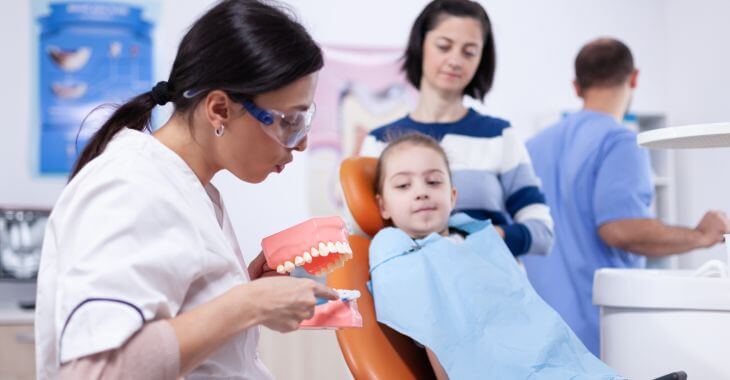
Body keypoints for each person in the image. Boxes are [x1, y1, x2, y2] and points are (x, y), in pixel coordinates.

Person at [34, 1, 340, 378]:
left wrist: (240, 293)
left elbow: (175, 323)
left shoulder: (190, 187)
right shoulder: (129, 187)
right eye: (288, 121)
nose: (302, 143)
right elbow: (95, 372)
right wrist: (248, 304)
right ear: (219, 110)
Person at [522, 37, 730, 356]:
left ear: (576, 86)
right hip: (598, 339)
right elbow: (620, 230)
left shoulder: (533, 146)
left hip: (539, 336)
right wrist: (701, 235)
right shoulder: (620, 142)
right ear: (634, 78)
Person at [368, 132, 622, 379]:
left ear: (453, 196)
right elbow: (437, 333)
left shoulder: (480, 242)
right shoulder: (403, 260)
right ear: (383, 206)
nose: (421, 192)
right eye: (403, 185)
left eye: (433, 182)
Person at [359, 0, 553, 258]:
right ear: (421, 46)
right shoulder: (378, 142)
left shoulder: (499, 136)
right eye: (444, 46)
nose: (455, 60)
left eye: (469, 51)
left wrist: (483, 240)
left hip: (490, 287)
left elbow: (542, 233)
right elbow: (360, 235)